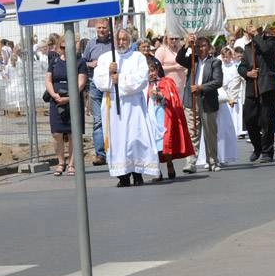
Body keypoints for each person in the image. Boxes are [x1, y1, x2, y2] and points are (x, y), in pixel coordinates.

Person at [94, 28, 161, 187]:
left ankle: (137, 172)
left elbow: (141, 78)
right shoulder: (105, 58)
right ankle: (122, 175)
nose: (121, 42)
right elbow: (98, 79)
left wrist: (121, 79)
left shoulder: (137, 57)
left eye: (124, 39)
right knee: (118, 140)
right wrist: (108, 72)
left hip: (133, 104)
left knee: (134, 138)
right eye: (118, 39)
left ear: (129, 41)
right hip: (113, 104)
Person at [176, 34, 223, 173]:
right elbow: (178, 59)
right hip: (191, 101)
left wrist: (201, 87)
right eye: (197, 46)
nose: (200, 48)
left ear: (209, 47)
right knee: (192, 133)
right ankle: (191, 162)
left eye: (203, 46)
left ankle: (213, 161)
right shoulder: (192, 60)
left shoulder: (215, 62)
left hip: (207, 101)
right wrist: (186, 44)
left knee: (210, 133)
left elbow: (218, 81)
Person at [145, 59, 194, 181]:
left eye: (153, 70)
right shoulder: (142, 86)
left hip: (163, 116)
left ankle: (169, 163)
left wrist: (161, 95)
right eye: (148, 71)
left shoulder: (166, 82)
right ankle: (156, 169)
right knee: (153, 144)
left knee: (164, 142)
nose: (151, 73)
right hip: (150, 117)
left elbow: (171, 99)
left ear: (157, 70)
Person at [44, 39, 87, 177]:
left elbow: (81, 83)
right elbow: (48, 80)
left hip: (73, 101)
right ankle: (60, 162)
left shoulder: (80, 62)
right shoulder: (55, 62)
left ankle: (72, 164)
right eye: (62, 47)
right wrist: (54, 95)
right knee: (56, 133)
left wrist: (69, 98)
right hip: (56, 100)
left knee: (73, 133)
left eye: (68, 47)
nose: (65, 50)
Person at [238, 24, 275, 163]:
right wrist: (247, 73)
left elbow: (266, 50)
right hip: (252, 88)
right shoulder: (248, 48)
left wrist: (256, 35)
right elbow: (241, 66)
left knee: (267, 121)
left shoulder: (271, 40)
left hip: (266, 86)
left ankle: (267, 151)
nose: (250, 30)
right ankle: (258, 146)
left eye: (253, 28)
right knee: (249, 119)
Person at [82, 19, 112, 166]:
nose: (102, 30)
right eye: (99, 28)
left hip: (112, 86)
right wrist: (91, 64)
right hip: (95, 85)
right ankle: (100, 154)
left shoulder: (114, 44)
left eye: (104, 28)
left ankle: (114, 151)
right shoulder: (90, 44)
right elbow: (82, 62)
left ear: (108, 29)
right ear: (96, 29)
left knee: (114, 118)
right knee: (98, 120)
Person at [215, 47, 239, 166]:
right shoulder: (218, 65)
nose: (225, 59)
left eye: (227, 57)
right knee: (217, 127)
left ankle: (224, 154)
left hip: (228, 96)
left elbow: (235, 82)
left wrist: (232, 97)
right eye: (223, 56)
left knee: (226, 127)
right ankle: (216, 155)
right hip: (219, 95)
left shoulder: (234, 68)